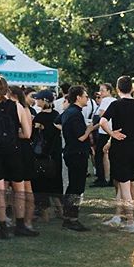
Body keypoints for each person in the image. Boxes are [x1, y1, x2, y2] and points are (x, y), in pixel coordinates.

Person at [0, 75, 33, 239]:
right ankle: (20, 224)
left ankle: (3, 227)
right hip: (14, 152)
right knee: (19, 189)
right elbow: (27, 133)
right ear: (7, 88)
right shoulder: (17, 107)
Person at [100, 76, 134, 233]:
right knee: (126, 184)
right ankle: (117, 217)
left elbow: (102, 122)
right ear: (132, 89)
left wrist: (112, 134)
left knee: (124, 187)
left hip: (120, 150)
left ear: (117, 89)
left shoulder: (115, 105)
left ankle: (130, 222)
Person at [59, 85, 94, 232]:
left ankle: (68, 217)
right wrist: (91, 128)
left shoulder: (68, 112)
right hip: (77, 153)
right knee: (76, 187)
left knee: (72, 186)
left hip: (71, 152)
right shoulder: (75, 113)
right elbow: (81, 137)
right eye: (85, 96)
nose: (87, 98)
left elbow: (58, 122)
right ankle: (72, 219)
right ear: (78, 97)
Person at [9, 87, 39, 237]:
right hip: (22, 149)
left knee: (25, 188)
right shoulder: (24, 108)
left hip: (23, 149)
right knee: (21, 188)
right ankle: (21, 221)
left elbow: (27, 134)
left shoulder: (22, 108)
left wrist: (12, 133)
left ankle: (26, 222)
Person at [31, 89, 63, 221]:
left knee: (41, 184)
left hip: (42, 155)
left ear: (44, 101)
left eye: (38, 99)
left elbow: (33, 136)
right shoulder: (57, 115)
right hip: (55, 154)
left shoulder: (40, 117)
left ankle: (45, 215)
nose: (36, 101)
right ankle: (61, 211)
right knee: (55, 184)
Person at [90, 83, 116, 187]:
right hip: (112, 130)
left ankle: (101, 178)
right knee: (111, 155)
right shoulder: (114, 100)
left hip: (104, 131)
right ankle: (112, 178)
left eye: (103, 90)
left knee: (99, 155)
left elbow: (101, 114)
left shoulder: (105, 100)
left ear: (109, 91)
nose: (101, 92)